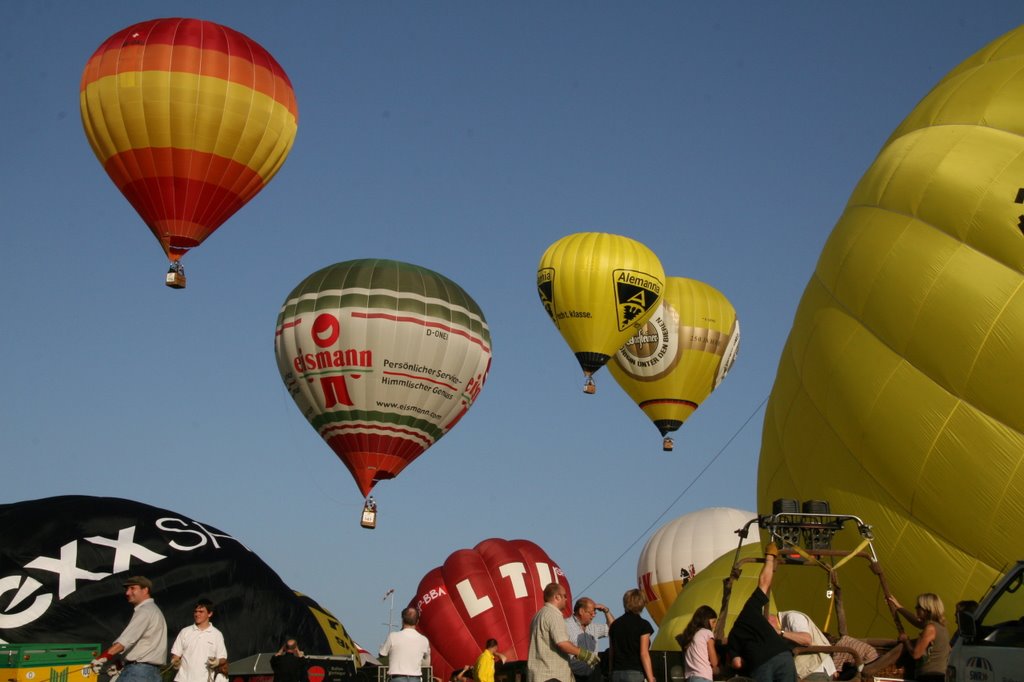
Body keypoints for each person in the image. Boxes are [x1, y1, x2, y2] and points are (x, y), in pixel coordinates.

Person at [725, 542, 796, 682]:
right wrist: (770, 557)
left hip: (761, 664)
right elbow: (764, 582)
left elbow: (737, 663)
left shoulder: (733, 637)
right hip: (783, 656)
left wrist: (746, 659)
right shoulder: (750, 610)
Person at [91, 576, 169, 682]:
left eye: (132, 588)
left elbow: (125, 641)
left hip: (138, 673)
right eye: (127, 589)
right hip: (152, 674)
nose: (127, 593)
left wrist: (101, 659)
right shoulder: (154, 611)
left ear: (145, 590)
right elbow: (144, 644)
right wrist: (121, 663)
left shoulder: (145, 611)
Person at [528, 583, 598, 682]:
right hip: (552, 676)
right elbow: (562, 643)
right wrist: (584, 654)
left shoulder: (538, 615)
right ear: (557, 597)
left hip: (538, 675)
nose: (566, 599)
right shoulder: (554, 615)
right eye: (564, 596)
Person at [887, 593, 949, 682]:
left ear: (927, 609)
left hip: (929, 676)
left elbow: (916, 654)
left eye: (918, 606)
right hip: (939, 676)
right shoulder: (941, 628)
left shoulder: (930, 628)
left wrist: (906, 640)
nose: (916, 608)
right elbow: (917, 622)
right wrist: (898, 607)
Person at [171, 598, 228, 682]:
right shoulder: (185, 631)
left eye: (201, 612)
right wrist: (175, 662)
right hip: (182, 680)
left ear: (210, 614)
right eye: (195, 611)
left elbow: (223, 658)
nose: (197, 614)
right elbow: (176, 654)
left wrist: (217, 662)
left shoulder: (217, 634)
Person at [607, 589, 655, 682]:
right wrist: (650, 678)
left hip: (616, 673)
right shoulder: (643, 625)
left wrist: (610, 672)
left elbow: (611, 652)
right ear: (642, 604)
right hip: (634, 673)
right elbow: (644, 653)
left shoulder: (615, 625)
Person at [777, 610, 835, 681]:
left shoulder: (792, 617)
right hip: (812, 671)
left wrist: (780, 632)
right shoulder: (783, 623)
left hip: (816, 670)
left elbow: (806, 640)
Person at [566, 597, 614, 682]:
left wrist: (606, 611)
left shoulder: (593, 627)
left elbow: (614, 628)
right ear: (581, 611)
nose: (593, 615)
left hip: (592, 676)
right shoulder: (565, 625)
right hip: (572, 675)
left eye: (595, 613)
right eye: (591, 612)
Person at [380, 607, 431, 682]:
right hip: (415, 679)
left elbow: (382, 654)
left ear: (402, 620)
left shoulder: (393, 636)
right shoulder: (424, 640)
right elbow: (426, 664)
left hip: (397, 678)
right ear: (417, 621)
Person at [676, 605, 718, 682]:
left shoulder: (689, 636)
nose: (715, 625)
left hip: (690, 678)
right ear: (706, 620)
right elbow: (714, 662)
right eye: (713, 622)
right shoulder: (707, 633)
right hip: (703, 677)